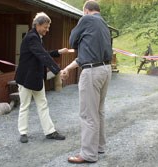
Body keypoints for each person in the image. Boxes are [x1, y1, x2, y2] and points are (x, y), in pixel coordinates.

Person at [61, 1, 112, 163]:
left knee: (88, 114)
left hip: (92, 73)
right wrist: (68, 68)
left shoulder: (86, 19)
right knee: (99, 111)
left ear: (86, 11)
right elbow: (86, 55)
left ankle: (88, 154)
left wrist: (80, 27)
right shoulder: (104, 24)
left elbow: (72, 41)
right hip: (105, 70)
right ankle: (99, 147)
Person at [15, 12, 68, 143]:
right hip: (26, 78)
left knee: (42, 105)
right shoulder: (32, 37)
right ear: (38, 25)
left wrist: (58, 52)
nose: (47, 30)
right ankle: (23, 132)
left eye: (48, 27)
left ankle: (50, 132)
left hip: (36, 77)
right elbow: (42, 55)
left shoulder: (37, 37)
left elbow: (43, 53)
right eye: (46, 27)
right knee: (25, 106)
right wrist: (58, 70)